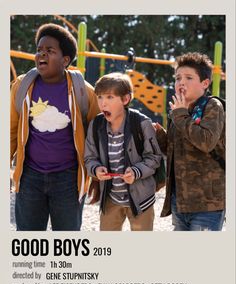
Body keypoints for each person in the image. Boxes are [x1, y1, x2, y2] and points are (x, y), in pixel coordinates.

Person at [10, 23, 100, 231]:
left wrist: (95, 177)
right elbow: (10, 131)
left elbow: (96, 137)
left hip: (68, 179)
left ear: (65, 60)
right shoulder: (22, 87)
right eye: (39, 50)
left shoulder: (83, 92)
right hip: (29, 177)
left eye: (50, 51)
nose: (42, 54)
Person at [84, 72, 162, 231]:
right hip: (111, 200)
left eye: (109, 97)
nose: (103, 103)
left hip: (141, 201)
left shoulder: (142, 123)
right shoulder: (96, 125)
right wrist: (96, 169)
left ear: (125, 99)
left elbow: (154, 158)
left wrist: (135, 172)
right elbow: (89, 157)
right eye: (99, 97)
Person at [156, 52, 225, 231]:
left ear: (205, 83)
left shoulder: (212, 106)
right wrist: (159, 135)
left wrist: (179, 115)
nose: (181, 82)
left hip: (207, 204)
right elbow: (173, 151)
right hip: (180, 201)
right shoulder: (178, 110)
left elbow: (206, 142)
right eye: (178, 78)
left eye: (188, 77)